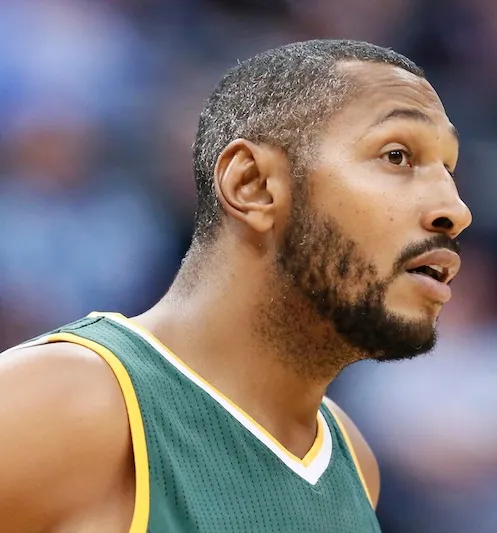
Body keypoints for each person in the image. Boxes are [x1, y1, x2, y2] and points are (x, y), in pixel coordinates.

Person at [0, 39, 471, 533]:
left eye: (449, 169)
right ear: (253, 184)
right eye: (397, 156)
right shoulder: (68, 400)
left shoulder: (351, 458)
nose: (456, 210)